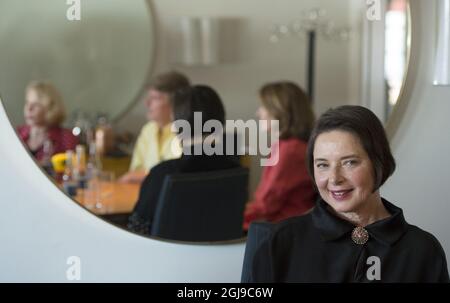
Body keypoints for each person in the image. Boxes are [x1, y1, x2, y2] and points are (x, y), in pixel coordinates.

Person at [246, 105, 449, 282]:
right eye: (323, 165)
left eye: (349, 162)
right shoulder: (280, 243)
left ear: (379, 163)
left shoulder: (422, 250)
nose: (334, 178)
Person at [127, 85, 241, 236]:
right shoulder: (235, 172)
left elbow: (137, 229)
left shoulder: (161, 174)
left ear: (175, 126)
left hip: (166, 257)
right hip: (220, 257)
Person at [243, 81, 316, 231]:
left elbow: (266, 205)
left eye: (263, 107)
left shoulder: (290, 151)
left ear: (279, 110)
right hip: (284, 226)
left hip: (284, 230)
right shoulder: (289, 146)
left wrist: (229, 216)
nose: (258, 113)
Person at [119, 71, 190, 184]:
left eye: (155, 98)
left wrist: (144, 175)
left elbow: (175, 176)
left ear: (175, 103)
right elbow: (135, 171)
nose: (147, 103)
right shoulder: (148, 130)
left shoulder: (187, 132)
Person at [17, 81, 78, 165]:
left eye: (36, 104)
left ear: (50, 108)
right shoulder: (17, 133)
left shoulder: (66, 138)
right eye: (27, 102)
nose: (29, 108)